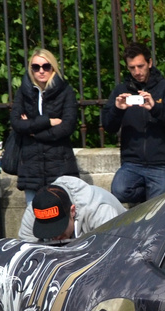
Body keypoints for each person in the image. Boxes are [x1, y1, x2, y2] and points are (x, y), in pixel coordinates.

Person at [103, 42, 165, 206]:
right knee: (119, 191)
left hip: (162, 163)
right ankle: (147, 195)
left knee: (157, 205)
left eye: (140, 66)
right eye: (132, 67)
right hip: (132, 162)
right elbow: (108, 126)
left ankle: (151, 199)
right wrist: (117, 109)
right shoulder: (121, 90)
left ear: (149, 62)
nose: (137, 72)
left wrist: (156, 108)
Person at [9, 48, 80, 206]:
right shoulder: (23, 92)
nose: (41, 71)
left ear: (53, 67)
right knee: (33, 216)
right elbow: (17, 123)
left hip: (59, 164)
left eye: (46, 66)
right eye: (36, 67)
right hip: (31, 166)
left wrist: (34, 132)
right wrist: (47, 121)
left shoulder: (66, 91)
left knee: (63, 216)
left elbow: (67, 126)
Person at [19, 176, 126, 242]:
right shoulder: (34, 212)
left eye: (59, 229)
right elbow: (28, 254)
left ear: (72, 211)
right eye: (47, 230)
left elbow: (113, 253)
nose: (55, 237)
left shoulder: (99, 211)